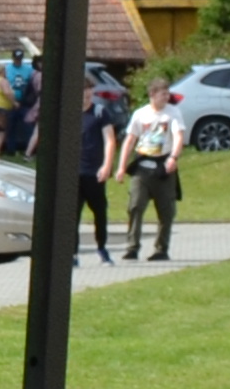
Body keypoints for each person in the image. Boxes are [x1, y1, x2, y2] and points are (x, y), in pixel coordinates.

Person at [119, 78, 185, 262]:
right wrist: (121, 166)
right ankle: (132, 247)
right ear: (152, 95)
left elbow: (178, 136)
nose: (167, 97)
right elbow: (130, 140)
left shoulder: (173, 113)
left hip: (164, 166)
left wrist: (173, 157)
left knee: (166, 211)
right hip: (142, 166)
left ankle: (161, 249)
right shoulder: (141, 114)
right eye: (163, 94)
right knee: (135, 206)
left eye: (167, 93)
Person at [70, 69, 122, 262]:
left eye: (89, 90)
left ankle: (102, 248)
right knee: (72, 215)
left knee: (100, 211)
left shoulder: (100, 112)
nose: (86, 94)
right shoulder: (69, 113)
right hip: (75, 172)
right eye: (82, 90)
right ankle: (72, 253)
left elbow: (110, 140)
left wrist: (107, 165)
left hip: (94, 171)